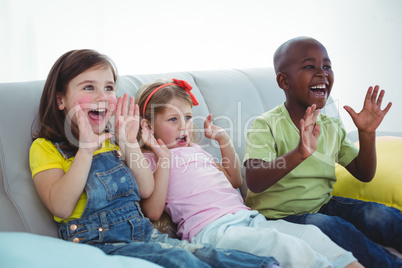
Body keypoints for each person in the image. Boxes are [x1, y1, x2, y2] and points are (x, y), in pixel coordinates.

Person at [29, 49, 280, 268]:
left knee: (224, 258)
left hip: (146, 237)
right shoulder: (46, 147)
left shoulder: (112, 142)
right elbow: (61, 206)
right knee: (184, 262)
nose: (102, 96)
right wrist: (84, 149)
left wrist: (128, 143)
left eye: (108, 87)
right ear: (60, 99)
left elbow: (146, 188)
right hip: (100, 244)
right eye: (88, 87)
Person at [135, 78, 363, 268]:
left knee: (312, 236)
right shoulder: (151, 159)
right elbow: (153, 212)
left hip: (248, 219)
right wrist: (163, 157)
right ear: (148, 126)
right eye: (173, 119)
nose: (184, 126)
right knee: (286, 246)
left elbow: (234, 180)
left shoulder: (196, 150)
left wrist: (223, 140)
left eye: (187, 117)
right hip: (214, 230)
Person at [243, 36, 402, 268]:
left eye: (327, 66)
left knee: (380, 216)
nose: (322, 73)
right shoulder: (266, 124)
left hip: (323, 204)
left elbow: (364, 173)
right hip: (279, 216)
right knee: (334, 228)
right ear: (284, 81)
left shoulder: (330, 124)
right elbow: (254, 180)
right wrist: (299, 153)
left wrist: (366, 134)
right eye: (310, 66)